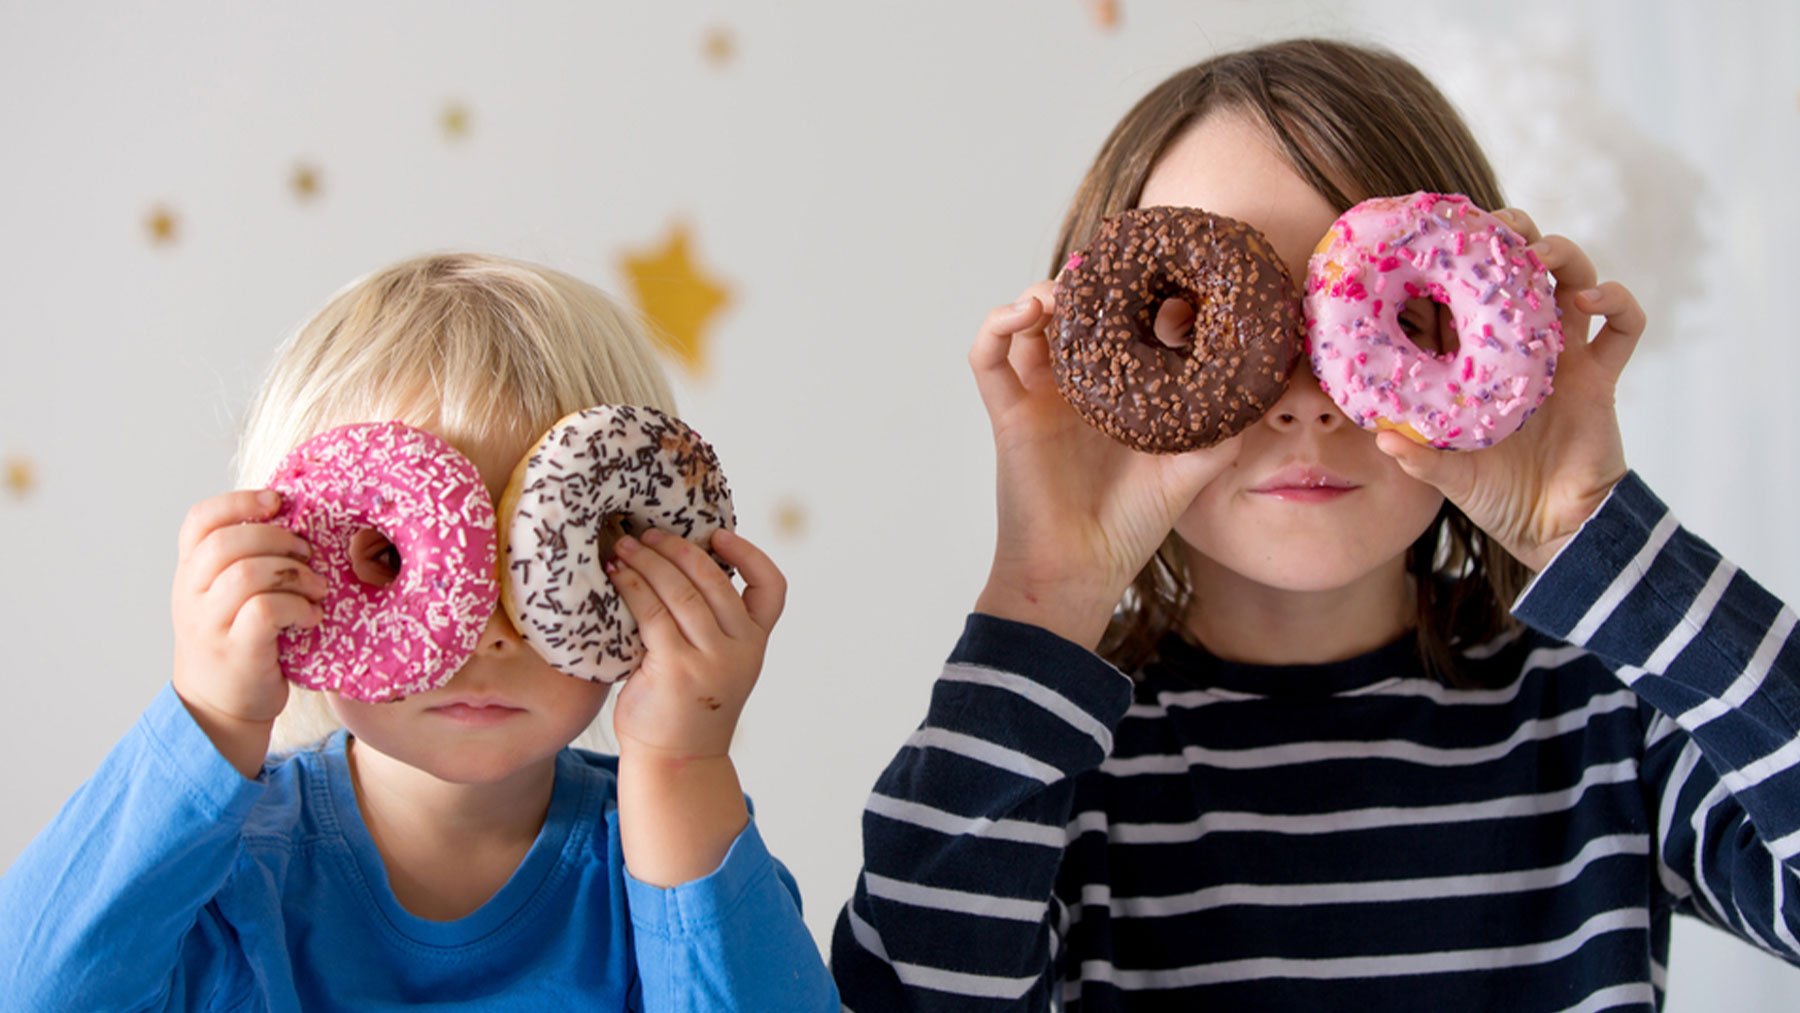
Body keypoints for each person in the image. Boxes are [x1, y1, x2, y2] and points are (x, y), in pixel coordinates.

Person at [831, 38, 1800, 1011]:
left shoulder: (1608, 717)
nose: (1304, 401)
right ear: (1106, 367)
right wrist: (1044, 592)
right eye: (1209, 323)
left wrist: (1597, 534)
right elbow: (906, 996)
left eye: (1385, 322)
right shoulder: (1047, 758)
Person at [0, 253, 838, 1010]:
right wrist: (209, 720)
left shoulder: (667, 862)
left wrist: (683, 762)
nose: (484, 633)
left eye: (541, 560)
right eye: (387, 556)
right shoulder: (224, 877)